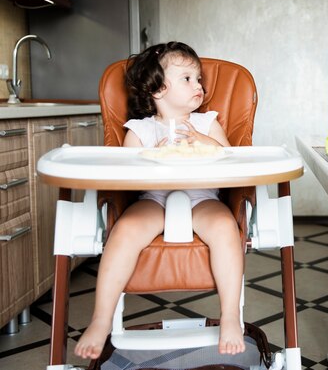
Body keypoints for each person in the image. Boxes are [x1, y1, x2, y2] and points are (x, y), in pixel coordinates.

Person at [75, 42, 245, 359]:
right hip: (153, 199)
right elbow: (122, 175)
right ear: (157, 89)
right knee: (124, 231)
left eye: (199, 78)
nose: (199, 86)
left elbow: (232, 163)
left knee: (224, 228)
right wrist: (150, 155)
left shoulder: (207, 122)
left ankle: (231, 316)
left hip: (202, 197)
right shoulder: (140, 129)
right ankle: (101, 320)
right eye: (187, 79)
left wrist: (206, 142)